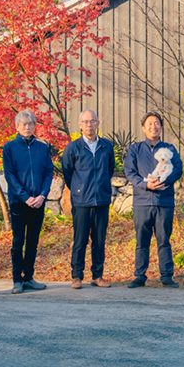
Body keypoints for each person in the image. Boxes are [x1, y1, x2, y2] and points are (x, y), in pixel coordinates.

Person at [123, 112, 183, 288]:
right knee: (142, 241)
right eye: (149, 123)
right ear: (143, 128)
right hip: (142, 202)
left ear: (161, 127)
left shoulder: (169, 148)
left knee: (164, 240)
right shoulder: (135, 149)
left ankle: (166, 276)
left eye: (156, 123)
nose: (153, 126)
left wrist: (164, 181)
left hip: (164, 201)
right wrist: (146, 185)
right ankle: (140, 276)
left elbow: (178, 169)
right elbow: (130, 172)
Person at [61, 110, 116, 289]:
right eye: (85, 121)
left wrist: (102, 187)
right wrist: (79, 189)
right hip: (81, 202)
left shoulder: (106, 146)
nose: (89, 125)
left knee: (99, 240)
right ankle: (77, 276)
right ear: (80, 125)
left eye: (92, 121)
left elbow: (110, 170)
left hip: (101, 200)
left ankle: (97, 276)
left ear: (98, 123)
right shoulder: (73, 148)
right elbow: (67, 173)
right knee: (80, 240)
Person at [2, 110, 54, 294]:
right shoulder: (9, 148)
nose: (27, 127)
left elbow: (48, 172)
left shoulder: (42, 148)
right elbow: (9, 175)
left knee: (33, 241)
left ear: (34, 126)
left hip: (38, 202)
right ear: (17, 127)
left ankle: (29, 277)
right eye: (23, 124)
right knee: (18, 241)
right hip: (19, 202)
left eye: (30, 124)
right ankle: (17, 280)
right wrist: (25, 197)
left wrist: (42, 195)